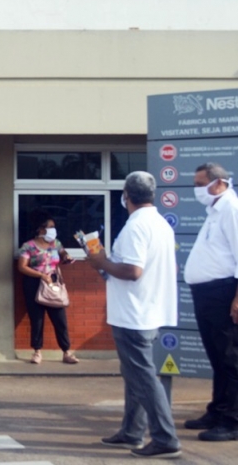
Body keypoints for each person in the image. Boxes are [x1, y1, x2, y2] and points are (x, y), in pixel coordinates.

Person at [88, 171, 181, 459]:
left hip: (133, 313)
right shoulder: (161, 224)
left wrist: (102, 261)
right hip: (150, 309)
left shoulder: (135, 227)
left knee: (142, 378)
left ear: (126, 195)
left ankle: (165, 438)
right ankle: (131, 430)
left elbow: (132, 271)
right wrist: (107, 264)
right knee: (135, 376)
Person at [183, 162, 238, 441]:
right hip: (207, 293)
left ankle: (233, 420)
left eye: (199, 183)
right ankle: (217, 410)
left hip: (223, 292)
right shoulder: (214, 210)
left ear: (218, 183)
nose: (196, 189)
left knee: (230, 357)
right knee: (217, 356)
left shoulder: (231, 208)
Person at [16, 209, 78, 364]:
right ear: (41, 229)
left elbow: (63, 253)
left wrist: (67, 257)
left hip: (52, 283)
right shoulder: (28, 246)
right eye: (51, 227)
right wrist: (41, 275)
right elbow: (22, 267)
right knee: (36, 319)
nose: (53, 230)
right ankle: (37, 351)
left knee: (60, 318)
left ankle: (66, 352)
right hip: (34, 283)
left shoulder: (56, 243)